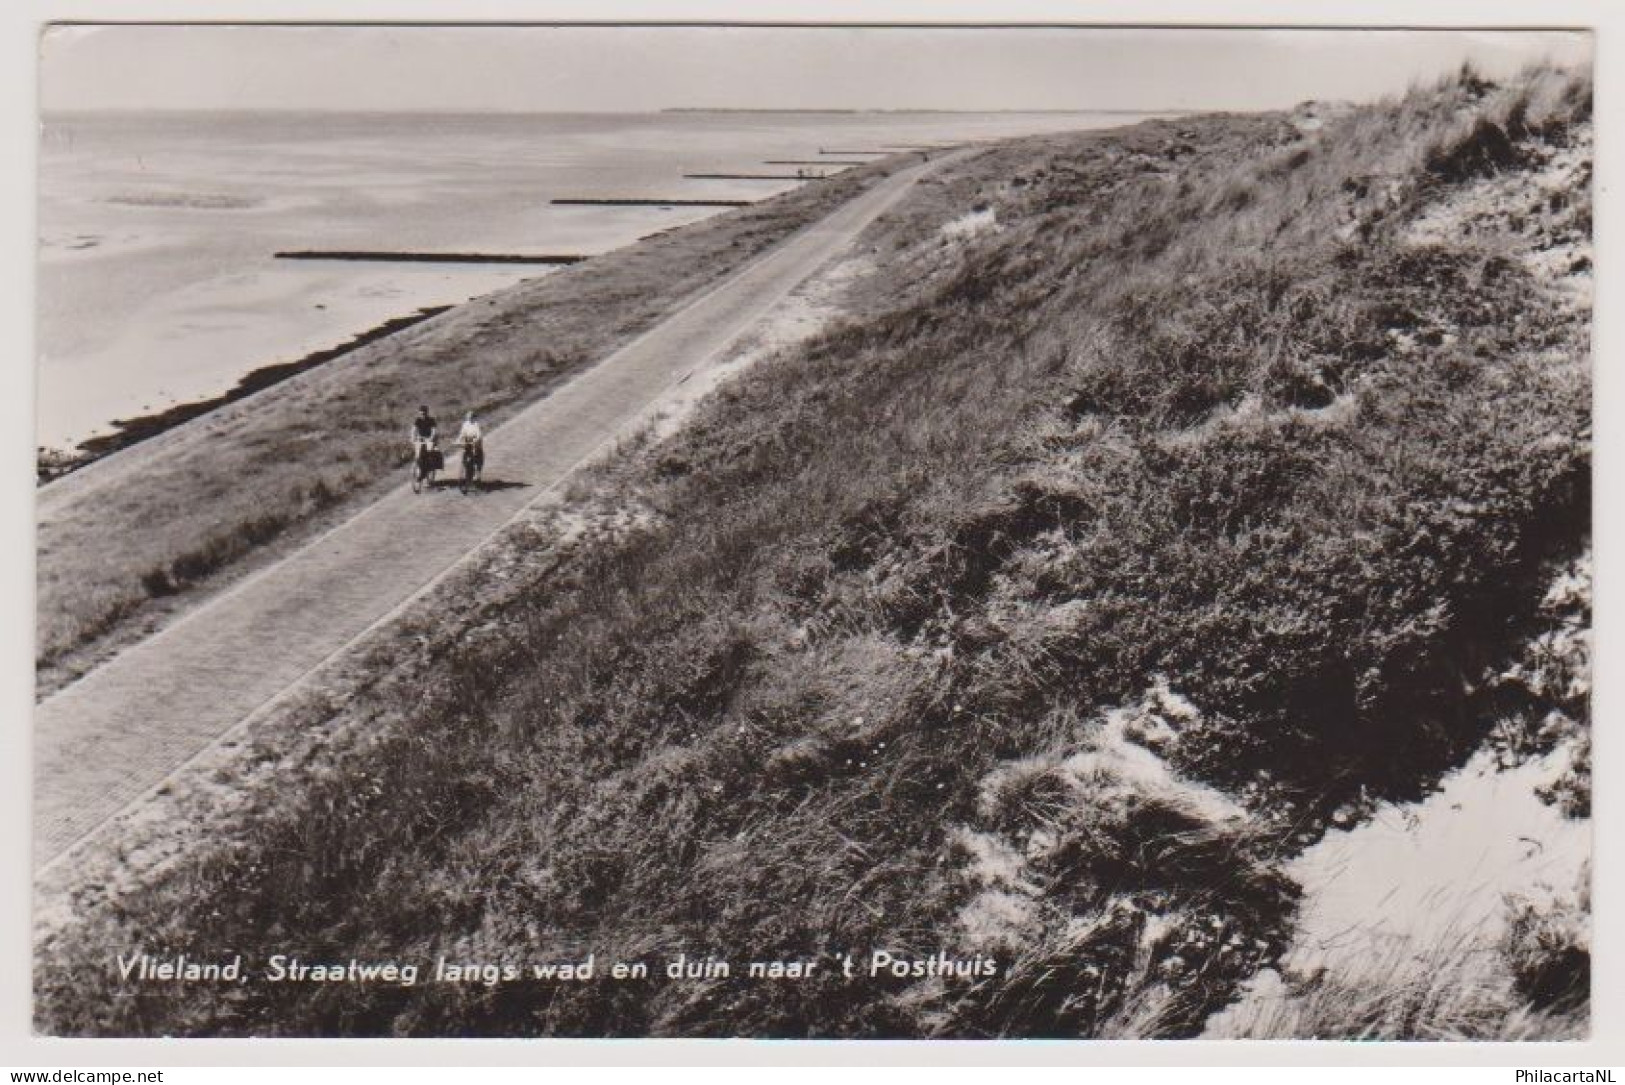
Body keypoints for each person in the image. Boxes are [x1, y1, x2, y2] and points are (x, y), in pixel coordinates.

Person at [457, 410, 484, 482]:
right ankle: (464, 467)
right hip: (467, 441)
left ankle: (477, 472)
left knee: (477, 453)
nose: (469, 418)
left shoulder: (476, 424)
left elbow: (479, 434)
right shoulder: (465, 424)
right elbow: (462, 434)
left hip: (475, 441)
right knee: (463, 452)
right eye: (468, 417)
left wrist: (476, 440)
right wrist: (458, 440)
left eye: (471, 417)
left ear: (473, 417)